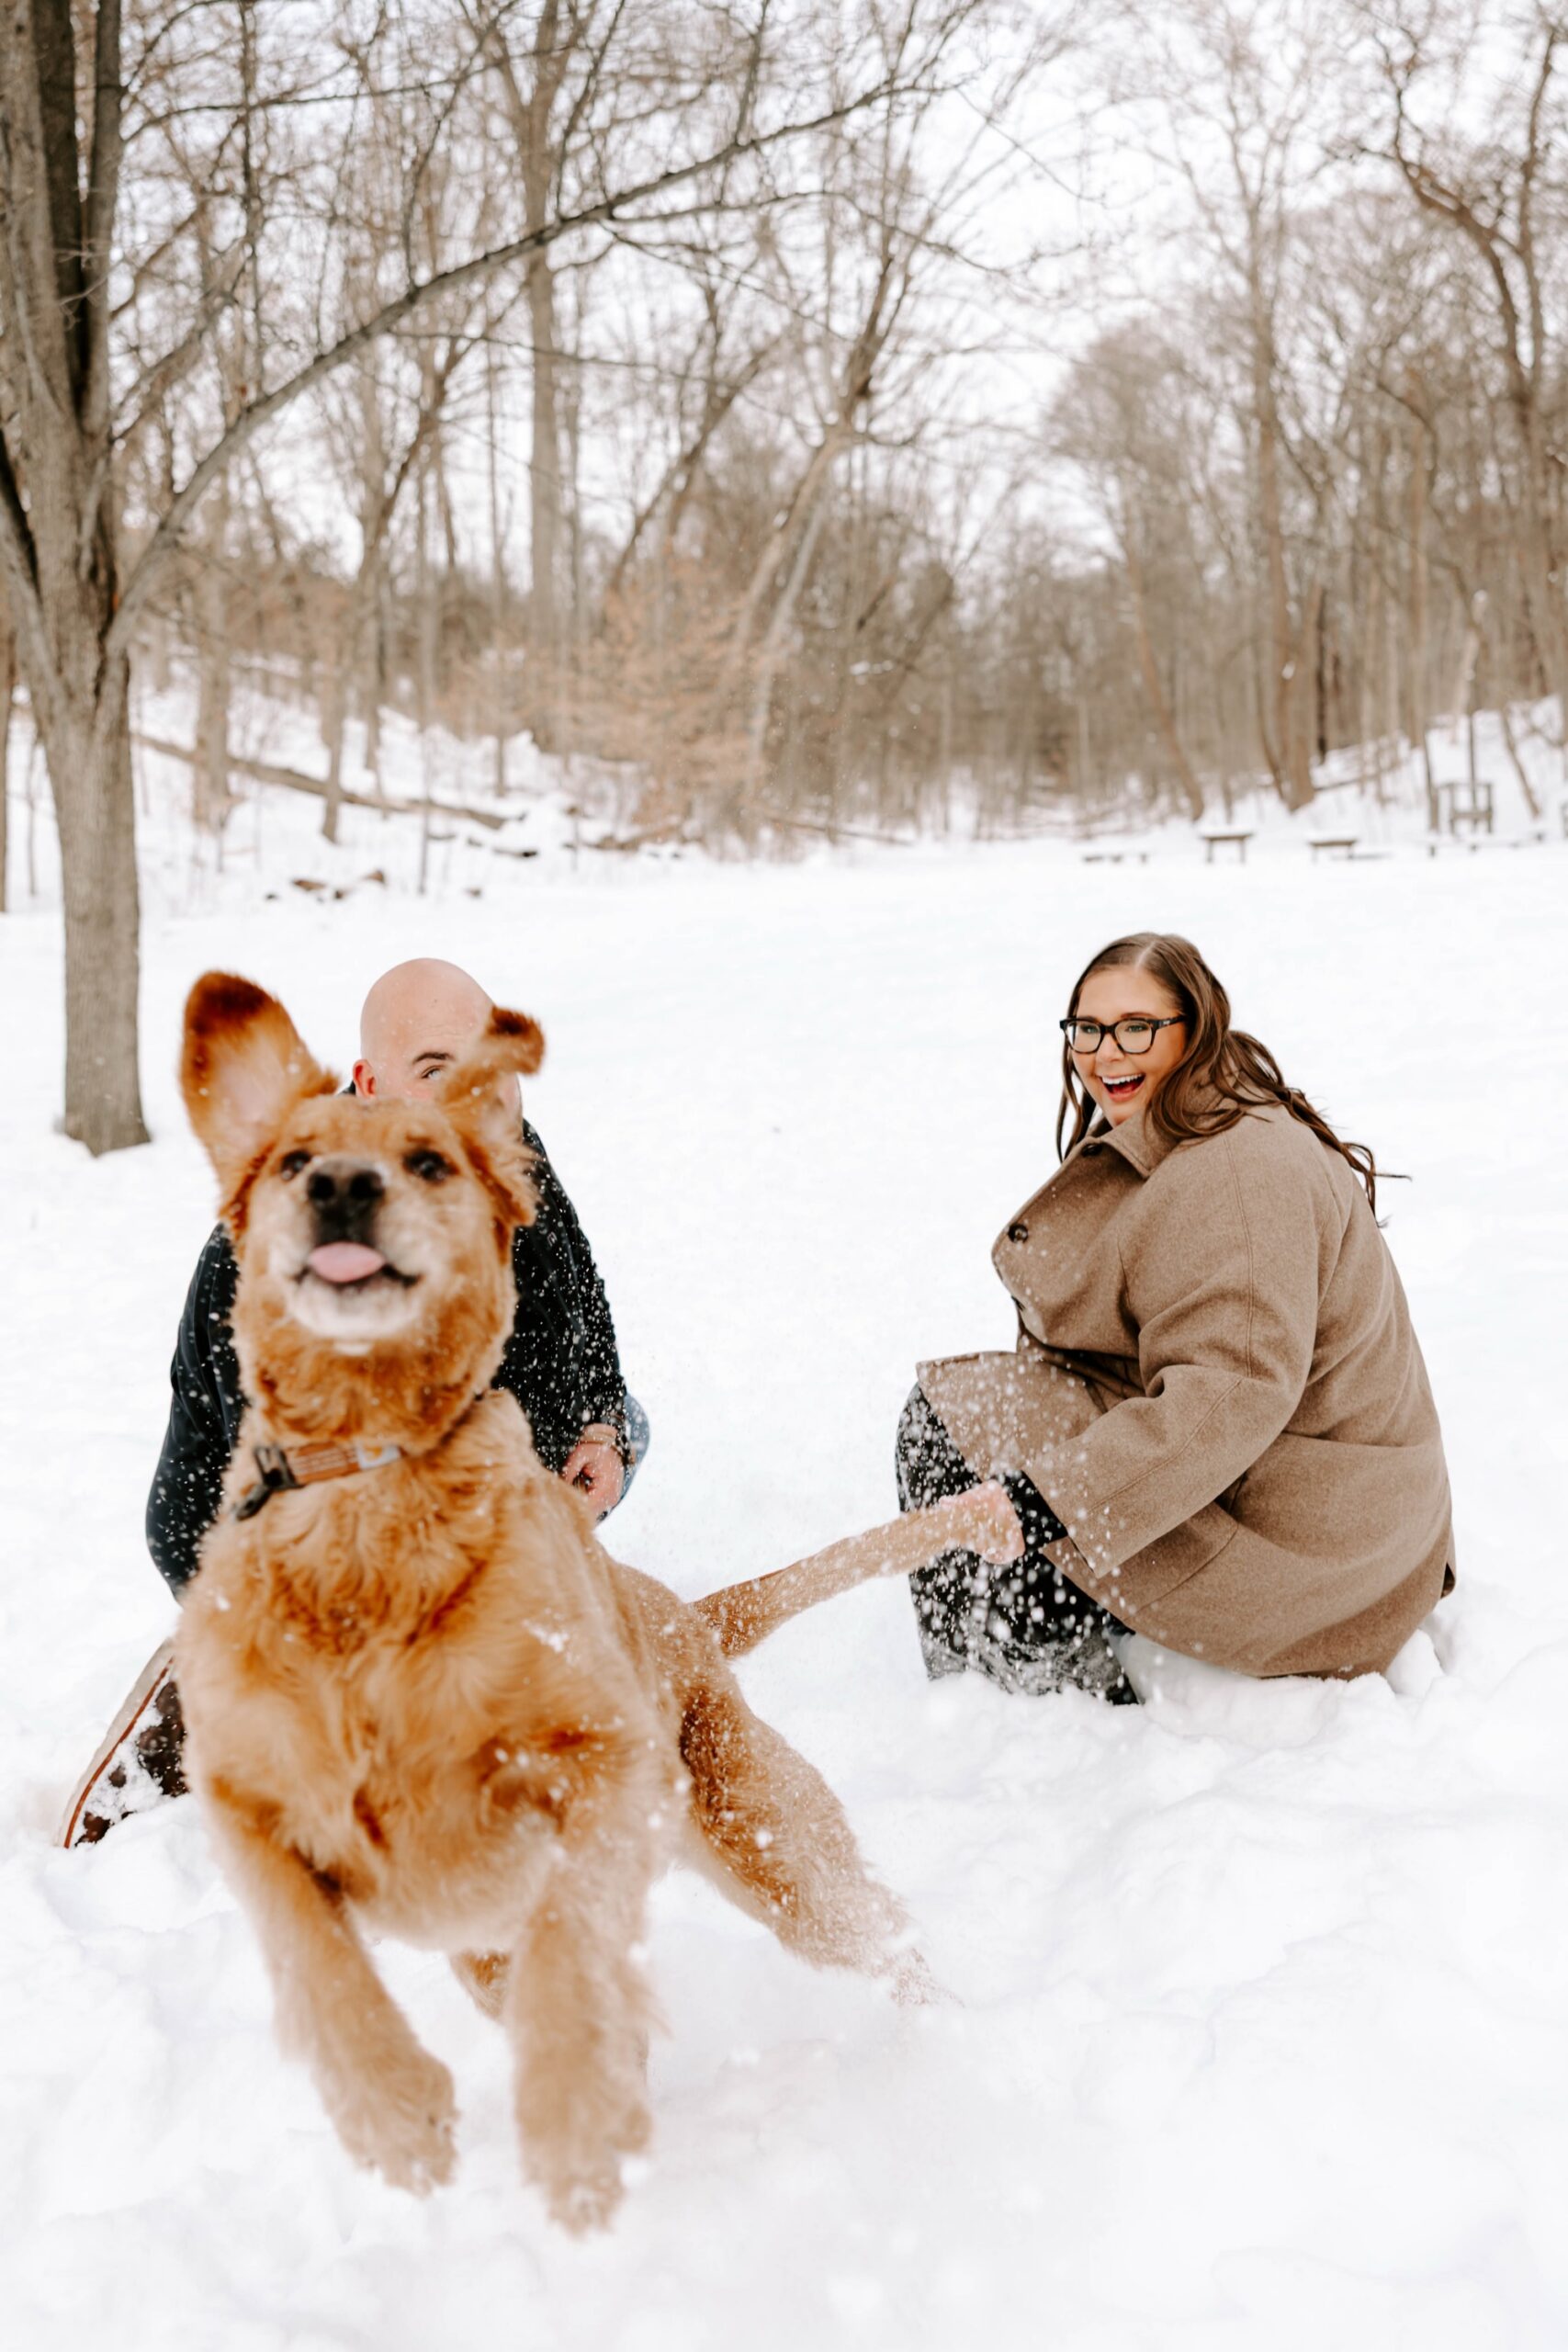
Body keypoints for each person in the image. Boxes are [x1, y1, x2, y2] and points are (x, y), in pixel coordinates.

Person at [61, 957, 645, 1845]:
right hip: (249, 1528)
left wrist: (599, 1432)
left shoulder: (493, 1143)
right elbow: (264, 1474)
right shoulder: (302, 1215)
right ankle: (209, 1700)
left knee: (629, 1420)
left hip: (431, 1468)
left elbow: (580, 1306)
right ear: (371, 1085)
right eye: (444, 1070)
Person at [897, 932, 1454, 1702]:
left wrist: (1046, 1497)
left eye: (1136, 1027)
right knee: (997, 1417)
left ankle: (1023, 1688)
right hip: (1316, 1494)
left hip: (1315, 1547)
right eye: (1086, 1028)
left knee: (954, 1423)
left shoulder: (1236, 1170)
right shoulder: (1199, 1122)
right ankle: (1015, 1654)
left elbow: (1235, 1388)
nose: (1104, 1052)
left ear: (1194, 1029)